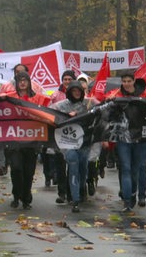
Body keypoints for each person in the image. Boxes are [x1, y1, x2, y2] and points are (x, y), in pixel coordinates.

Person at [106, 72, 146, 212]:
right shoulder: (116, 96)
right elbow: (109, 115)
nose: (126, 83)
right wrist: (111, 103)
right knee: (125, 168)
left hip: (141, 137)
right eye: (124, 81)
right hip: (123, 138)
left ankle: (136, 194)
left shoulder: (145, 95)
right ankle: (127, 200)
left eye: (129, 81)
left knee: (136, 168)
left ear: (134, 81)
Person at [3, 71, 50, 210]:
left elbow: (48, 111)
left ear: (29, 83)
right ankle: (16, 195)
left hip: (32, 142)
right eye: (20, 80)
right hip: (14, 142)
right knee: (16, 169)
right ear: (16, 83)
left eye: (25, 80)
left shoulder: (38, 99)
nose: (22, 83)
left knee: (28, 172)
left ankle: (26, 199)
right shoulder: (9, 98)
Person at [50, 80, 91, 213]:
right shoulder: (60, 106)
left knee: (83, 169)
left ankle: (81, 190)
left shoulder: (88, 104)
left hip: (84, 143)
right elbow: (50, 115)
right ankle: (75, 199)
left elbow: (102, 106)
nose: (77, 93)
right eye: (74, 91)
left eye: (79, 91)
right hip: (68, 144)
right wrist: (66, 117)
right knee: (73, 169)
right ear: (69, 92)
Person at [47, 70, 76, 203]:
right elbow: (49, 111)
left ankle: (71, 192)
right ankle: (61, 193)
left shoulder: (79, 94)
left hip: (74, 135)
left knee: (72, 165)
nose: (67, 81)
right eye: (65, 79)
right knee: (60, 165)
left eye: (70, 79)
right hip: (59, 134)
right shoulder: (55, 95)